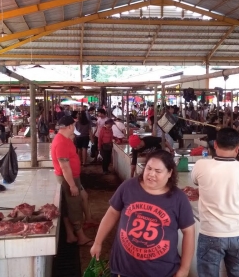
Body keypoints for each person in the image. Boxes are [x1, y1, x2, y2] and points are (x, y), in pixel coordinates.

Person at [90, 150, 195, 277]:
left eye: (158, 171)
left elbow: (189, 232)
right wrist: (97, 242)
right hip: (124, 268)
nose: (151, 174)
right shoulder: (129, 186)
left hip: (161, 271)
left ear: (169, 173)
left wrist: (184, 269)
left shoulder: (178, 198)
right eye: (149, 168)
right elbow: (112, 213)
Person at [192, 128, 239, 276]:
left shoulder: (201, 165)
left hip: (210, 233)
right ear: (237, 148)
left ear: (215, 145)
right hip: (238, 234)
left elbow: (196, 182)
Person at [51, 116, 93, 246]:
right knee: (74, 207)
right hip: (68, 179)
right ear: (69, 126)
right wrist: (72, 185)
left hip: (70, 178)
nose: (74, 128)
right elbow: (64, 166)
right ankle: (81, 237)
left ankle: (71, 235)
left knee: (68, 207)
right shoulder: (61, 142)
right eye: (73, 126)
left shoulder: (64, 139)